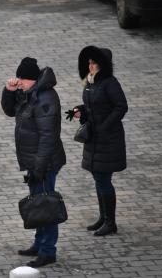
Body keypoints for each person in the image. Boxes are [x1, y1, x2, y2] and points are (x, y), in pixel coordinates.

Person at [1, 57, 66, 267]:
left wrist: (39, 168)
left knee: (46, 206)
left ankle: (48, 251)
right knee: (38, 202)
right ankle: (39, 244)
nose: (19, 82)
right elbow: (10, 110)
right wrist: (8, 91)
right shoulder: (30, 93)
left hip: (45, 163)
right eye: (18, 77)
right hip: (33, 161)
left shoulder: (46, 99)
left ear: (33, 79)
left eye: (22, 79)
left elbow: (49, 137)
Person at [66, 46, 128, 236]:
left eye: (94, 63)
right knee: (98, 178)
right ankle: (104, 218)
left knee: (103, 179)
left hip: (108, 139)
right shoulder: (91, 83)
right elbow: (91, 106)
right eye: (89, 63)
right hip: (94, 138)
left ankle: (111, 222)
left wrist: (104, 126)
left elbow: (121, 107)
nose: (90, 66)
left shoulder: (110, 83)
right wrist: (80, 110)